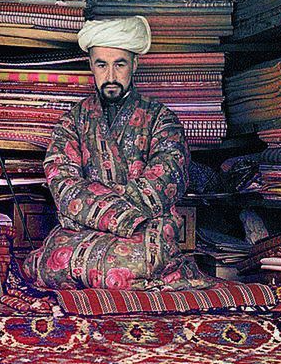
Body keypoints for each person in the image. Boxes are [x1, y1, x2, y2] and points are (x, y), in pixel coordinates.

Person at [20, 15, 213, 291]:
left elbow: (167, 178)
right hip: (83, 230)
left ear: (135, 63)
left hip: (143, 228)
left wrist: (111, 212)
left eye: (119, 64)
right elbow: (63, 182)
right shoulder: (73, 121)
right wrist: (107, 215)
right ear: (91, 65)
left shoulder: (161, 119)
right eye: (102, 65)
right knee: (53, 264)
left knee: (132, 265)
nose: (110, 76)